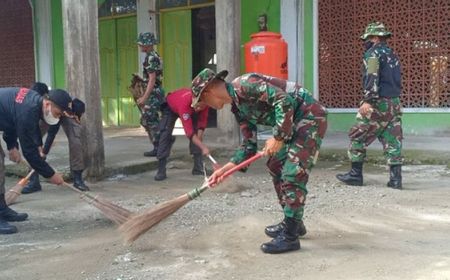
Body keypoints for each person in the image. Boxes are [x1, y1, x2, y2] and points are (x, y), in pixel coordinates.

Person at [191, 68, 328, 254]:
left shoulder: (245, 84)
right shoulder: (238, 108)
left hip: (309, 116)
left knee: (292, 172)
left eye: (202, 100)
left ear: (208, 92)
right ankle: (294, 222)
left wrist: (278, 138)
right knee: (275, 164)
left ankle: (290, 237)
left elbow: (284, 100)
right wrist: (225, 170)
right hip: (291, 123)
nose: (203, 105)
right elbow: (249, 145)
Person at [336, 22, 403, 189]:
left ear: (374, 37)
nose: (365, 42)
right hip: (394, 103)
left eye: (367, 38)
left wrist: (368, 100)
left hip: (377, 102)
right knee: (393, 139)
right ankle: (396, 180)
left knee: (357, 134)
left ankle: (355, 175)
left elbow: (372, 76)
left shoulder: (373, 54)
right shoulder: (392, 54)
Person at [0, 87, 70, 234]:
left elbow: (10, 119)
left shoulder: (34, 102)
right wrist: (50, 174)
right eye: (57, 114)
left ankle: (2, 209)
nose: (57, 118)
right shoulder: (28, 110)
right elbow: (30, 153)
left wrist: (12, 145)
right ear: (47, 104)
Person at [21, 83, 89, 193]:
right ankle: (33, 181)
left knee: (75, 141)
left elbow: (53, 131)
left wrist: (45, 151)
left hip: (66, 112)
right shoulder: (41, 105)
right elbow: (43, 131)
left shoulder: (71, 106)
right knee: (32, 141)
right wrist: (40, 150)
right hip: (51, 112)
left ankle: (77, 178)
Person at [154, 88, 210, 181]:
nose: (198, 109)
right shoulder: (185, 105)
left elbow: (202, 123)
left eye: (200, 107)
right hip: (171, 106)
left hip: (188, 107)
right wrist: (203, 147)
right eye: (196, 106)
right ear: (193, 102)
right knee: (165, 134)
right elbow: (189, 132)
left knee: (197, 133)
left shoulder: (206, 103)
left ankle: (198, 167)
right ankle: (161, 170)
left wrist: (200, 142)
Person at [136, 32, 165, 157]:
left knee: (149, 119)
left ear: (148, 44)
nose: (140, 45)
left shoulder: (151, 58)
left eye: (142, 43)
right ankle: (159, 146)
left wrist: (144, 97)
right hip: (155, 92)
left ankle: (161, 145)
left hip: (153, 93)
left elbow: (152, 79)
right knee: (149, 119)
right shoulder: (153, 56)